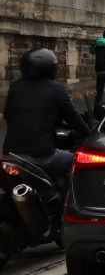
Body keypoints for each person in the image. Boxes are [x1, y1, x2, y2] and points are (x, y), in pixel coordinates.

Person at [2, 49, 91, 192]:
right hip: (41, 155)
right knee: (76, 162)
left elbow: (8, 114)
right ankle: (69, 202)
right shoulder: (56, 89)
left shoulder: (15, 86)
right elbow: (74, 120)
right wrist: (90, 137)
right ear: (50, 69)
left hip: (11, 154)